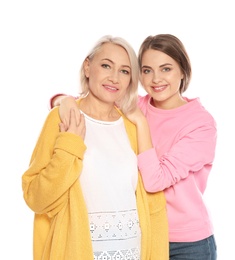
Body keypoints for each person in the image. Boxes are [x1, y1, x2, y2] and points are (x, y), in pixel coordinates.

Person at [51, 34, 217, 260]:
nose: (156, 79)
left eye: (166, 69)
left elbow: (154, 181)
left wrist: (140, 122)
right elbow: (92, 99)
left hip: (186, 243)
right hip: (143, 233)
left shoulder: (201, 124)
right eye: (147, 70)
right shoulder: (135, 104)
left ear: (183, 71)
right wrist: (63, 100)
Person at [22, 35, 169, 260]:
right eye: (106, 65)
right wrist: (69, 146)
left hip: (133, 252)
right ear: (88, 67)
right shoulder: (62, 118)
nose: (114, 78)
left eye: (124, 71)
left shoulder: (131, 125)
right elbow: (36, 198)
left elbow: (153, 204)